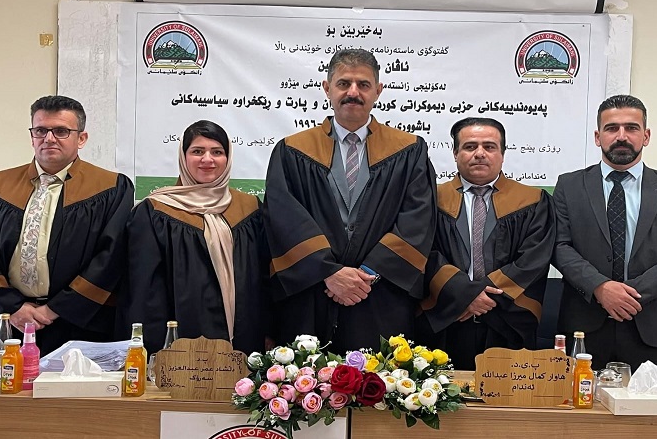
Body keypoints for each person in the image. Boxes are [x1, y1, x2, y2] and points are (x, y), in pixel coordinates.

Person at [264, 48, 436, 353]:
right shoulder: (291, 150)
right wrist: (328, 272)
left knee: (382, 377)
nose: (353, 92)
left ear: (378, 91)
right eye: (344, 83)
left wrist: (367, 274)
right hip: (313, 292)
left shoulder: (410, 150)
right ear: (327, 88)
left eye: (363, 84)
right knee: (308, 377)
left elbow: (418, 218)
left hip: (380, 293)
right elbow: (283, 217)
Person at [552, 94, 657, 371]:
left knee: (650, 401)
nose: (621, 136)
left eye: (631, 128)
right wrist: (600, 287)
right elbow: (560, 247)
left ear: (646, 136)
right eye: (612, 128)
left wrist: (630, 294)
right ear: (598, 137)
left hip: (652, 324)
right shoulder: (569, 185)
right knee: (580, 399)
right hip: (584, 326)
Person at [0, 95, 134, 354]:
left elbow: (110, 258)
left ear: (81, 138)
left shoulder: (111, 187)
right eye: (41, 130)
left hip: (78, 322)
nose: (49, 138)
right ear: (32, 136)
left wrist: (54, 310)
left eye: (61, 131)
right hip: (6, 321)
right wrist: (12, 307)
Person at [119, 120, 268, 356]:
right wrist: (157, 349)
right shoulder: (155, 211)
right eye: (197, 151)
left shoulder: (250, 208)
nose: (207, 159)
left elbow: (263, 276)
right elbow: (144, 291)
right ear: (183, 157)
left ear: (228, 158)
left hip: (245, 336)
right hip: (181, 342)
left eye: (217, 152)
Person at [418, 118, 554, 370]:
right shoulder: (430, 199)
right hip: (447, 316)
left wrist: (482, 296)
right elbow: (423, 252)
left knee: (506, 391)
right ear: (455, 153)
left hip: (508, 319)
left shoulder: (533, 200)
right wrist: (464, 295)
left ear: (502, 154)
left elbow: (533, 258)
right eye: (470, 146)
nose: (480, 153)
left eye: (489, 147)